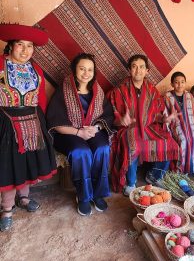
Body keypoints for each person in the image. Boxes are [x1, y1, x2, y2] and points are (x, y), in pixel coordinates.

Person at [0, 24, 57, 231]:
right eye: (20, 45)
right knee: (7, 165)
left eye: (30, 46)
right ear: (10, 46)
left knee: (27, 161)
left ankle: (24, 198)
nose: (25, 51)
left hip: (33, 121)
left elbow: (40, 98)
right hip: (6, 123)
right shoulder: (0, 65)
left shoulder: (36, 69)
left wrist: (43, 125)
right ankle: (7, 208)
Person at [47, 53, 114, 216]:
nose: (86, 73)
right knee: (81, 152)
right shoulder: (64, 90)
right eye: (82, 69)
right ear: (74, 70)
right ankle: (83, 196)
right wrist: (78, 132)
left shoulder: (97, 91)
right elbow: (55, 121)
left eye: (90, 70)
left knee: (103, 148)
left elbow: (106, 115)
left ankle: (98, 193)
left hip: (91, 130)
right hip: (69, 133)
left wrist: (96, 129)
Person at [108, 54, 180, 195]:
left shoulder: (152, 90)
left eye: (142, 67)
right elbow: (113, 115)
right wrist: (120, 120)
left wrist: (164, 119)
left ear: (147, 71)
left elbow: (157, 114)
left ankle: (154, 175)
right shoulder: (119, 91)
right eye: (134, 67)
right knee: (133, 143)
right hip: (129, 128)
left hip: (150, 127)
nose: (138, 70)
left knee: (169, 142)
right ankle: (130, 183)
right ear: (129, 70)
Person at [164, 72, 194, 173]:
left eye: (182, 82)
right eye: (176, 82)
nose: (180, 85)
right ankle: (185, 169)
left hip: (192, 124)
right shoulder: (167, 96)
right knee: (184, 141)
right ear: (172, 84)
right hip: (176, 125)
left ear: (185, 83)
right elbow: (165, 113)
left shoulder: (189, 96)